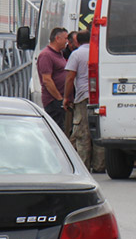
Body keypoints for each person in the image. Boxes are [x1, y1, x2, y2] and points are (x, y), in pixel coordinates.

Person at [64, 30, 104, 172]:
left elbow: (70, 78)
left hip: (82, 97)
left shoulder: (76, 54)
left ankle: (84, 167)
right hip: (99, 97)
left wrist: (66, 97)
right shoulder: (99, 51)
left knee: (82, 133)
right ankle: (100, 166)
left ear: (77, 42)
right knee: (99, 131)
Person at [37, 27, 69, 131]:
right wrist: (59, 98)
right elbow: (47, 80)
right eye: (65, 38)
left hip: (60, 100)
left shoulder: (59, 54)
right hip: (53, 101)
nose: (67, 41)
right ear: (57, 38)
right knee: (56, 130)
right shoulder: (46, 55)